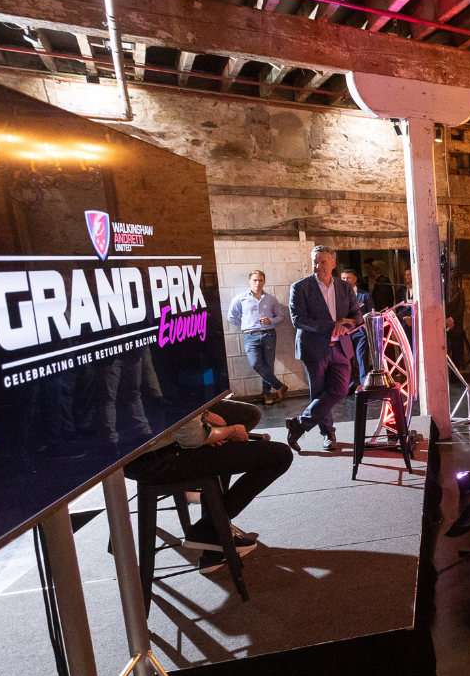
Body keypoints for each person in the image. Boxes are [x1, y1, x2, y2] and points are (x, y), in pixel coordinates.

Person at [126, 399, 293, 574]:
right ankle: (210, 528)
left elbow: (174, 405)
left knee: (247, 415)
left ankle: (214, 529)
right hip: (158, 456)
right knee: (281, 456)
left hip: (139, 447)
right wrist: (226, 432)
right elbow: (193, 437)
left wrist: (203, 416)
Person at [285, 245, 362, 452]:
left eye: (323, 262)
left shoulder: (345, 288)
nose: (318, 266)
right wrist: (332, 325)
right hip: (314, 348)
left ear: (333, 264)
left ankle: (299, 424)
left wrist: (344, 325)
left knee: (340, 390)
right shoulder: (300, 287)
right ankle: (328, 434)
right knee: (319, 392)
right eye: (315, 262)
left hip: (341, 348)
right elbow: (298, 319)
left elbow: (357, 316)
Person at [227, 270, 289, 405]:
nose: (257, 283)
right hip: (250, 336)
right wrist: (245, 326)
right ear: (249, 281)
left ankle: (266, 395)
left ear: (264, 282)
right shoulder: (240, 298)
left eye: (260, 280)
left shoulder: (271, 299)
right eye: (255, 280)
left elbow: (281, 317)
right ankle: (279, 386)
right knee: (256, 364)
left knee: (268, 365)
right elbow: (231, 316)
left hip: (269, 334)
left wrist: (270, 321)